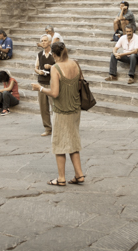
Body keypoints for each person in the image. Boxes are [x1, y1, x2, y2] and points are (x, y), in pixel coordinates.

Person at [30, 42, 85, 186]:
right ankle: (79, 174)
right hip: (75, 107)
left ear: (54, 55)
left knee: (59, 143)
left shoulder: (55, 68)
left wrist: (40, 88)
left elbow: (54, 93)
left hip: (62, 109)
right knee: (73, 140)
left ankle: (61, 178)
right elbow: (80, 83)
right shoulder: (76, 64)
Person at [35, 34, 55, 136]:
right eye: (42, 40)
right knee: (43, 107)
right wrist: (39, 72)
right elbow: (36, 67)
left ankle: (57, 128)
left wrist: (51, 67)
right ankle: (48, 128)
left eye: (45, 40)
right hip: (41, 82)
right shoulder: (39, 54)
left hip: (52, 83)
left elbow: (60, 66)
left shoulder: (55, 54)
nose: (43, 42)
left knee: (54, 106)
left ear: (50, 42)